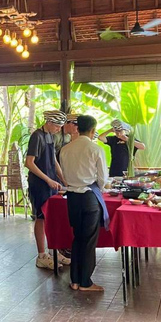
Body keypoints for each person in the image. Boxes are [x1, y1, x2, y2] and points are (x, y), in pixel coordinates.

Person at [59, 115, 108, 292]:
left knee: (77, 238)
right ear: (93, 131)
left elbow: (64, 173)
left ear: (78, 128)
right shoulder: (95, 149)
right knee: (88, 241)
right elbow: (103, 179)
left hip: (72, 197)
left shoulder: (65, 149)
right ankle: (85, 282)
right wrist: (99, 187)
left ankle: (75, 280)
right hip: (89, 197)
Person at [25, 110, 68, 270]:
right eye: (57, 126)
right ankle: (42, 255)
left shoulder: (50, 136)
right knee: (41, 218)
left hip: (51, 183)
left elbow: (53, 161)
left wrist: (62, 178)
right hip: (40, 184)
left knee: (52, 218)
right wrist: (48, 179)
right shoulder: (37, 136)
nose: (59, 129)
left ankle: (54, 251)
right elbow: (29, 163)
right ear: (49, 123)